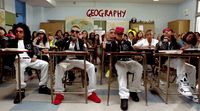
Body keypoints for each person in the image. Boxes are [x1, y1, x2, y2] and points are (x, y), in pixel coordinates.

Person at [53, 25, 101, 105]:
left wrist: (78, 41)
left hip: (78, 60)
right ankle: (59, 93)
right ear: (70, 32)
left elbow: (83, 53)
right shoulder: (66, 40)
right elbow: (57, 43)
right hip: (67, 61)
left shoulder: (81, 41)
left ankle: (91, 93)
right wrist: (66, 39)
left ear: (79, 33)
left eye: (76, 32)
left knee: (91, 67)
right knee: (58, 67)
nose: (74, 33)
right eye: (72, 31)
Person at [11, 23, 51, 104]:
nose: (18, 33)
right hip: (19, 60)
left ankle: (43, 86)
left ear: (24, 32)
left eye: (20, 31)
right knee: (20, 66)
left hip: (29, 60)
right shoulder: (12, 42)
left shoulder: (28, 41)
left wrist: (35, 56)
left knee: (45, 64)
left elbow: (35, 50)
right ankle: (20, 90)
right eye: (17, 31)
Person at [105, 27, 143, 110]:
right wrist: (109, 41)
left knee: (139, 67)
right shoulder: (111, 43)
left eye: (121, 34)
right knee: (122, 74)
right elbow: (107, 53)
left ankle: (133, 90)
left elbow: (132, 51)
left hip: (129, 61)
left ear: (123, 34)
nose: (119, 35)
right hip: (118, 62)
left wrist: (136, 55)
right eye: (118, 34)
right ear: (115, 34)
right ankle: (124, 97)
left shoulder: (127, 42)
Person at [156, 28, 197, 102]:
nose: (167, 33)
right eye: (165, 32)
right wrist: (165, 41)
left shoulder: (175, 42)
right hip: (166, 61)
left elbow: (179, 51)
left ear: (172, 33)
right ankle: (181, 84)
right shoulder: (160, 42)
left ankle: (191, 88)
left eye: (168, 31)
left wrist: (182, 50)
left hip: (176, 60)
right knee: (179, 61)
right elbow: (159, 50)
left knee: (192, 68)